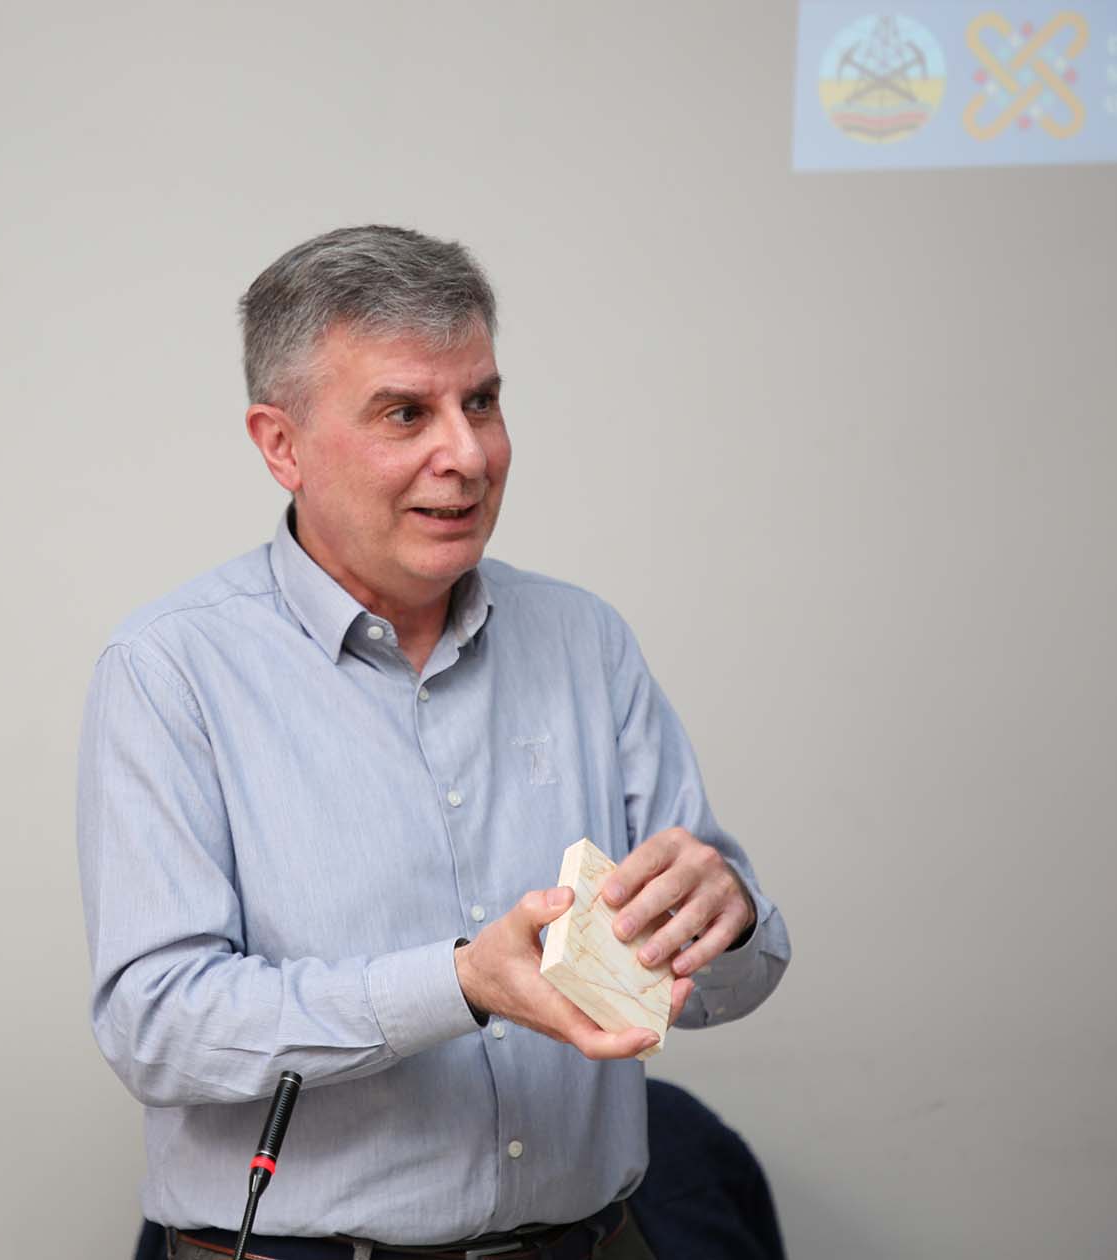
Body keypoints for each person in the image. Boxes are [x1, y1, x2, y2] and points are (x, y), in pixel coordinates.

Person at [78, 225, 791, 1260]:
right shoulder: (168, 670)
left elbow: (731, 982)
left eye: (483, 402)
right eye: (406, 413)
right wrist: (456, 984)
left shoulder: (585, 640)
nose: (468, 455)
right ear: (281, 446)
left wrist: (724, 922)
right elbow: (157, 1026)